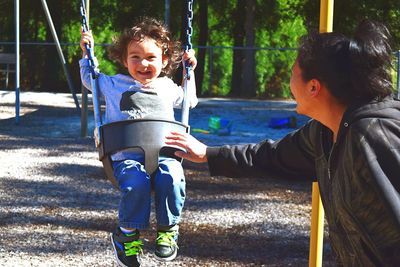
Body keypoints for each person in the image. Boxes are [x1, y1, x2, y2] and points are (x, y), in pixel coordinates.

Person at [166, 20, 400, 266]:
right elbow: (271, 156)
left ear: (313, 87)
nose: (289, 83)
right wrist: (207, 154)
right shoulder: (324, 133)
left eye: (292, 73)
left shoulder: (372, 135)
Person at [79, 16, 198, 267]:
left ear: (164, 60)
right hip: (127, 159)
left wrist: (190, 73)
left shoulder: (168, 86)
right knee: (136, 184)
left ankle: (168, 230)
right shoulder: (113, 84)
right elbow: (90, 79)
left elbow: (190, 100)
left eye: (151, 57)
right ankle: (126, 235)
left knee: (173, 178)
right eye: (135, 56)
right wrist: (86, 54)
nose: (143, 63)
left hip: (166, 155)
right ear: (124, 60)